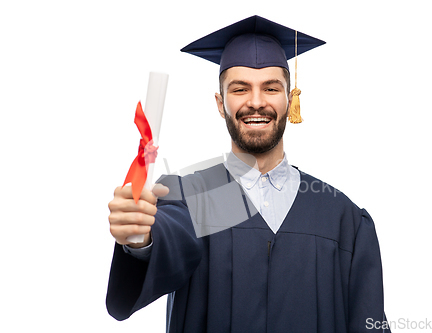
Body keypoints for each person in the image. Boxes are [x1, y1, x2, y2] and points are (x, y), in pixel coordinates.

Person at [106, 15, 391, 332]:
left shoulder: (343, 219)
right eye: (240, 89)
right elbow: (170, 234)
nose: (256, 102)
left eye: (271, 88)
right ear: (220, 102)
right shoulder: (190, 196)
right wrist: (140, 237)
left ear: (289, 98)